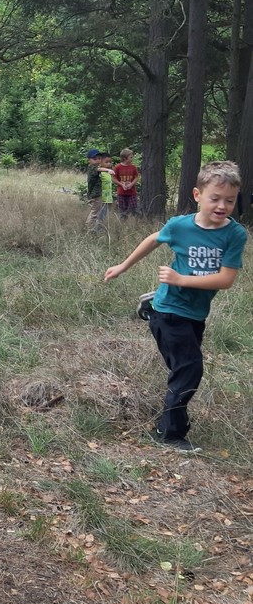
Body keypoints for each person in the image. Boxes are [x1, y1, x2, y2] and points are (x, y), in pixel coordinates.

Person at [103, 160, 247, 453]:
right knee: (189, 368)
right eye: (215, 198)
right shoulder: (180, 226)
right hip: (173, 309)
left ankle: (151, 306)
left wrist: (183, 279)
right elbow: (154, 239)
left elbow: (225, 279)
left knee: (181, 366)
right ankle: (170, 433)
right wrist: (123, 265)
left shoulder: (234, 234)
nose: (222, 206)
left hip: (196, 312)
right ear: (197, 195)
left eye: (230, 200)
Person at [114, 148, 140, 219]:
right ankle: (123, 222)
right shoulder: (117, 167)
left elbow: (136, 177)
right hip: (121, 192)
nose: (132, 158)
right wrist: (121, 184)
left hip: (132, 192)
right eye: (131, 157)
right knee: (123, 210)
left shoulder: (133, 167)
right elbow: (114, 178)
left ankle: (134, 221)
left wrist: (131, 184)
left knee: (133, 208)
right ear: (125, 158)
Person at [85, 149, 106, 229]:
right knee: (94, 212)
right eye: (94, 159)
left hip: (95, 194)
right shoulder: (92, 168)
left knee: (96, 211)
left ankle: (94, 227)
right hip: (95, 194)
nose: (97, 160)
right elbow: (98, 169)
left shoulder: (95, 167)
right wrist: (108, 170)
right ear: (89, 160)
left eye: (99, 158)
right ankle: (88, 227)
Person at [99, 152, 115, 226]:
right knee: (100, 213)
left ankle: (101, 226)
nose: (109, 164)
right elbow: (97, 169)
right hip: (101, 197)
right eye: (106, 162)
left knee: (104, 213)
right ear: (100, 162)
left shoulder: (109, 172)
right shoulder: (100, 172)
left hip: (107, 197)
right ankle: (98, 227)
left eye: (110, 162)